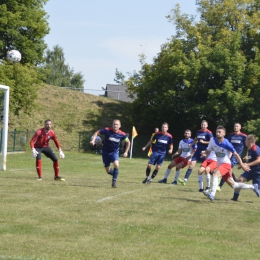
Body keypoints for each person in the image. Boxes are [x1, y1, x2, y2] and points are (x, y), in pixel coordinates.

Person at [201, 126, 259, 201]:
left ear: (224, 134)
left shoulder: (227, 143)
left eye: (220, 132)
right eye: (217, 132)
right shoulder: (212, 141)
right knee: (234, 185)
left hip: (226, 164)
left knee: (215, 175)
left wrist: (242, 165)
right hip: (220, 164)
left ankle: (212, 194)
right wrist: (204, 153)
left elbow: (236, 155)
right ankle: (253, 187)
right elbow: (208, 152)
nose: (218, 133)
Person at [90, 119, 130, 188]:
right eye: (114, 124)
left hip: (114, 152)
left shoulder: (122, 134)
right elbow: (97, 132)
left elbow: (128, 142)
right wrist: (93, 140)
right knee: (108, 170)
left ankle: (114, 182)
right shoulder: (107, 130)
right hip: (105, 152)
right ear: (112, 125)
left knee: (116, 165)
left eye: (117, 124)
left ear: (120, 126)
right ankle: (115, 174)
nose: (115, 125)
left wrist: (126, 152)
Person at [178, 120, 213, 186]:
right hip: (197, 152)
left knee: (207, 168)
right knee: (191, 164)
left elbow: (211, 142)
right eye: (202, 124)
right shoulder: (198, 132)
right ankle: (185, 180)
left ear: (207, 125)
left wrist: (204, 142)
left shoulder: (209, 133)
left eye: (204, 124)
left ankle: (215, 176)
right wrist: (192, 144)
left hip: (205, 152)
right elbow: (196, 139)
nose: (203, 126)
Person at [217, 123, 247, 191]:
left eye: (237, 126)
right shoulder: (231, 135)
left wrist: (247, 155)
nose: (235, 127)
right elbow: (227, 144)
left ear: (240, 127)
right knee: (228, 169)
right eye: (235, 126)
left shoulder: (243, 136)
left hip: (236, 156)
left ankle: (219, 186)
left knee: (227, 168)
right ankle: (235, 181)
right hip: (229, 154)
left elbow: (248, 145)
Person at [230, 134, 260, 201]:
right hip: (250, 170)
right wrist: (243, 164)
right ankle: (235, 198)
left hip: (258, 171)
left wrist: (247, 164)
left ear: (250, 141)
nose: (245, 141)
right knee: (240, 180)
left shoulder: (255, 148)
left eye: (246, 140)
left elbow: (259, 160)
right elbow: (252, 159)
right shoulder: (249, 149)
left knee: (258, 189)